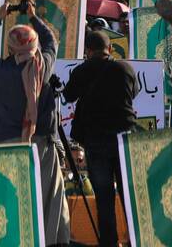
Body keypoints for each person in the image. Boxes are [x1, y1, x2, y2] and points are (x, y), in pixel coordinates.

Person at [0, 0, 70, 245]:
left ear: (9, 49)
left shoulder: (1, 71)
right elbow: (52, 41)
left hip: (7, 146)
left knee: (13, 198)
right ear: (34, 45)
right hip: (41, 145)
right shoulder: (44, 66)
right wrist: (32, 17)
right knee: (47, 199)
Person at [62, 29, 138, 247]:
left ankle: (109, 243)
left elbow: (67, 96)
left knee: (104, 199)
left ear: (88, 51)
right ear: (110, 49)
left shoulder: (81, 71)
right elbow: (134, 93)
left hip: (97, 143)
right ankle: (137, 239)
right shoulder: (125, 68)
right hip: (125, 141)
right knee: (129, 196)